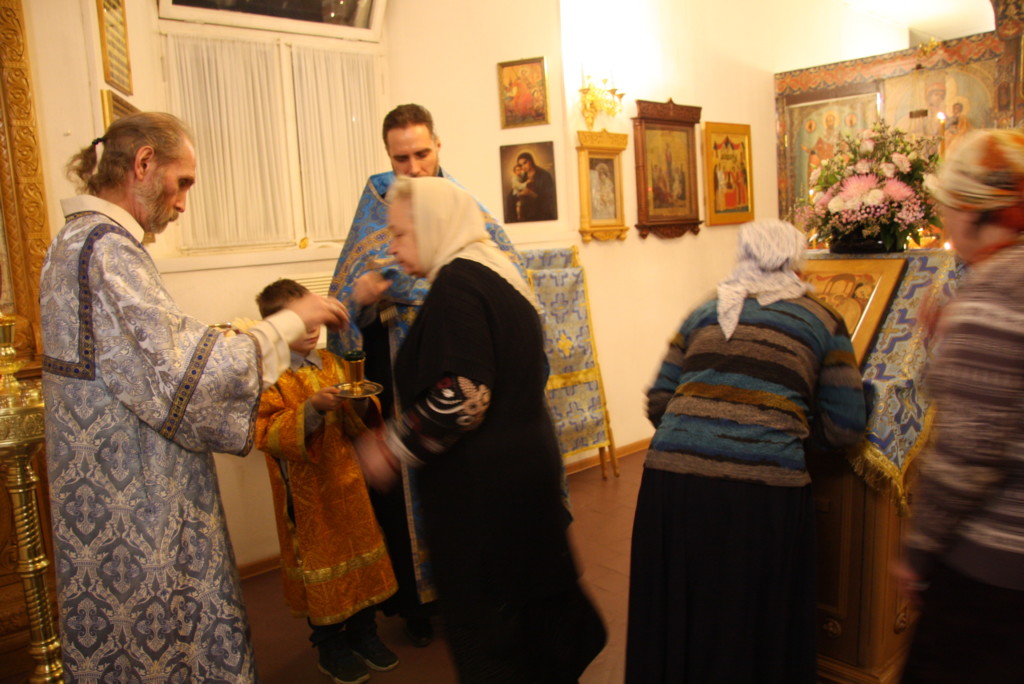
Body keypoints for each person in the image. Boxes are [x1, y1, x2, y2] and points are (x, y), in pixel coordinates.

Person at [40, 112, 349, 682]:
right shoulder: (107, 250)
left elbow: (151, 358)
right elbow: (187, 377)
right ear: (143, 164)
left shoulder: (71, 240)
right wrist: (289, 321)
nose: (183, 203)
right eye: (182, 182)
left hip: (104, 495)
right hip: (138, 500)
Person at [354, 176, 606, 683]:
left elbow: (465, 396)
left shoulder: (458, 285)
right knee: (534, 624)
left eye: (400, 234)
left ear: (434, 225)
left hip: (486, 502)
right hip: (520, 481)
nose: (392, 248)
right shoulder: (496, 272)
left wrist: (391, 448)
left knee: (498, 645)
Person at [626, 219, 867, 684]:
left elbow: (659, 401)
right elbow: (845, 425)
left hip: (669, 482)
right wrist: (789, 435)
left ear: (743, 257)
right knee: (751, 616)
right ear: (796, 263)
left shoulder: (705, 310)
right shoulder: (822, 319)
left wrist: (699, 435)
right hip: (762, 492)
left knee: (677, 608)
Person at [327, 103, 525, 647]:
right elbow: (345, 306)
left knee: (462, 477)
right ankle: (417, 605)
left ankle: (478, 592)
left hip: (463, 373)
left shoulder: (464, 209)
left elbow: (511, 275)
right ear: (387, 156)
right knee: (411, 495)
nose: (413, 168)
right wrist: (365, 302)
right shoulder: (374, 211)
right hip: (402, 371)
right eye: (401, 159)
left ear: (438, 146)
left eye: (422, 153)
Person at [894, 128, 1024, 683]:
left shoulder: (990, 293)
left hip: (995, 565)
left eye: (948, 207)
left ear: (973, 212)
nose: (944, 221)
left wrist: (918, 553)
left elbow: (968, 454)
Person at [254, 279, 399, 684]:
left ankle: (365, 634)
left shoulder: (333, 363)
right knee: (320, 567)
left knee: (360, 558)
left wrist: (360, 402)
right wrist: (313, 409)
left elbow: (358, 423)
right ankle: (330, 645)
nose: (312, 328)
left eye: (313, 318)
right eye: (300, 321)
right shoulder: (270, 376)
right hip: (307, 497)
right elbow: (265, 433)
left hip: (348, 483)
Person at [509, 151, 556, 222]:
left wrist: (531, 194)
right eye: (521, 165)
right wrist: (519, 194)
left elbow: (550, 198)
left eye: (525, 163)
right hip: (526, 213)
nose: (523, 167)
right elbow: (514, 192)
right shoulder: (522, 176)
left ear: (531, 161)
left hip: (541, 214)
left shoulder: (544, 175)